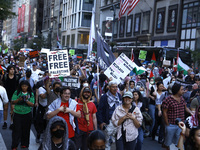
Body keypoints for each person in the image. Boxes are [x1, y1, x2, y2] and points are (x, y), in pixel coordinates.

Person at [162, 83, 192, 149]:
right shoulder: (168, 100)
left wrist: (191, 113)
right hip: (171, 124)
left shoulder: (182, 99)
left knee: (179, 142)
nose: (183, 91)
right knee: (168, 143)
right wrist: (167, 124)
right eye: (182, 90)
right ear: (177, 90)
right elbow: (164, 112)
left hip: (181, 125)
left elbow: (186, 108)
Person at [97, 80, 122, 150]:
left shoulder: (119, 96)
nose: (115, 88)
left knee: (115, 141)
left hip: (117, 121)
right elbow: (100, 111)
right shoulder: (104, 97)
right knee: (106, 141)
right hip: (108, 122)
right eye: (113, 87)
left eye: (116, 87)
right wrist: (101, 122)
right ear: (109, 88)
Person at [11, 80, 35, 150]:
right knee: (16, 130)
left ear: (28, 86)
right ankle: (14, 145)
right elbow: (13, 101)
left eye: (25, 86)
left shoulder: (30, 93)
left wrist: (26, 100)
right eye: (23, 86)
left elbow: (33, 104)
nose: (24, 87)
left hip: (27, 113)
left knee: (26, 130)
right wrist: (19, 99)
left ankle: (24, 144)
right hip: (18, 113)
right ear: (20, 86)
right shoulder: (17, 92)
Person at [2, 65, 20, 129]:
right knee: (6, 108)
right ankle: (5, 122)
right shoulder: (5, 76)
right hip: (6, 94)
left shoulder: (16, 77)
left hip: (14, 95)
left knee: (12, 109)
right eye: (11, 69)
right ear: (8, 70)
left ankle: (12, 123)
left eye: (13, 69)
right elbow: (2, 84)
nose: (12, 70)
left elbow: (18, 86)